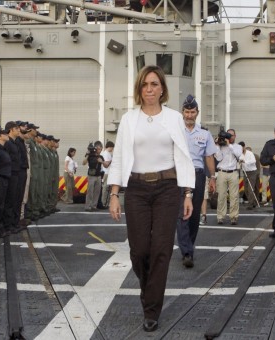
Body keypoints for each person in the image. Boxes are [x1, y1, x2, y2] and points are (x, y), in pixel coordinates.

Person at [107, 65, 194, 332]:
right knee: (139, 250)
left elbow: (184, 154)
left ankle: (151, 308)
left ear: (162, 88)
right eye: (145, 84)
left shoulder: (174, 118)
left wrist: (188, 192)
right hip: (136, 188)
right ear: (139, 89)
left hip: (168, 187)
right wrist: (114, 193)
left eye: (154, 84)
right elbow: (120, 156)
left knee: (161, 250)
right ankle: (149, 291)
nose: (149, 89)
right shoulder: (129, 119)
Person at [176, 94, 217, 268]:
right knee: (182, 213)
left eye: (193, 112)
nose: (189, 115)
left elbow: (208, 157)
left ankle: (189, 246)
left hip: (198, 175)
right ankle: (186, 252)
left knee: (194, 215)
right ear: (182, 112)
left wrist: (212, 177)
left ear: (197, 113)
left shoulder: (205, 134)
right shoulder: (176, 131)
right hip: (179, 175)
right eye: (187, 111)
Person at [214, 129, 242, 225]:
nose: (230, 137)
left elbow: (238, 155)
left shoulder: (238, 146)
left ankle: (234, 217)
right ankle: (220, 216)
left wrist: (229, 145)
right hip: (222, 172)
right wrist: (217, 146)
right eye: (228, 135)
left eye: (231, 135)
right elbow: (218, 158)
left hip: (233, 172)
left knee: (234, 196)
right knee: (221, 195)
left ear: (235, 136)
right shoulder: (221, 146)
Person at [83, 141, 104, 212]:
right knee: (90, 191)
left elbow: (106, 165)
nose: (100, 150)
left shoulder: (101, 156)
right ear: (96, 148)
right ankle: (88, 206)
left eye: (101, 149)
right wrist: (88, 154)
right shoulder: (90, 155)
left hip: (99, 176)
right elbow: (83, 163)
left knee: (97, 192)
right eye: (99, 149)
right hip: (91, 176)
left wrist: (102, 161)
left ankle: (94, 206)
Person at [242, 145, 258, 210]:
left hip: (252, 172)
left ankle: (250, 204)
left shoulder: (250, 153)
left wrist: (245, 162)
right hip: (245, 172)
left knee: (250, 188)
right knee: (246, 189)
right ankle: (253, 202)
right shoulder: (240, 154)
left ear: (243, 147)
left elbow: (253, 161)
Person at [98, 141, 114, 208]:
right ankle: (104, 202)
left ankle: (104, 202)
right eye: (112, 147)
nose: (112, 149)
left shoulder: (105, 153)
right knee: (105, 188)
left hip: (106, 173)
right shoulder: (107, 154)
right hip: (106, 173)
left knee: (106, 188)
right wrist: (112, 160)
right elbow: (106, 165)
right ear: (110, 147)